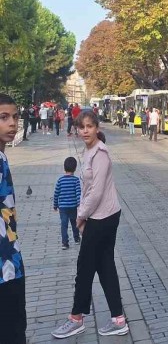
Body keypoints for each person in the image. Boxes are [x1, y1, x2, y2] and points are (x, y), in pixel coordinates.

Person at [52, 111, 128, 339]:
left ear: (97, 128)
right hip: (102, 215)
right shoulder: (89, 152)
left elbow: (95, 193)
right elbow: (89, 189)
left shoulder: (100, 154)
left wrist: (80, 216)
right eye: (81, 127)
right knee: (105, 267)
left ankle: (76, 318)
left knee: (84, 268)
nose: (85, 130)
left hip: (102, 217)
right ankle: (118, 319)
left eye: (89, 126)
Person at [0, 94, 25, 343]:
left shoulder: (2, 157)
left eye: (15, 117)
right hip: (4, 264)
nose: (12, 123)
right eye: (3, 117)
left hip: (10, 256)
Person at [53, 157, 81, 250]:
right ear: (75, 168)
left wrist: (55, 205)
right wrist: (79, 204)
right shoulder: (76, 180)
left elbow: (56, 193)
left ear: (64, 168)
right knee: (74, 223)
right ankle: (76, 239)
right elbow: (78, 193)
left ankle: (65, 243)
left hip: (63, 208)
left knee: (64, 225)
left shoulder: (60, 180)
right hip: (73, 207)